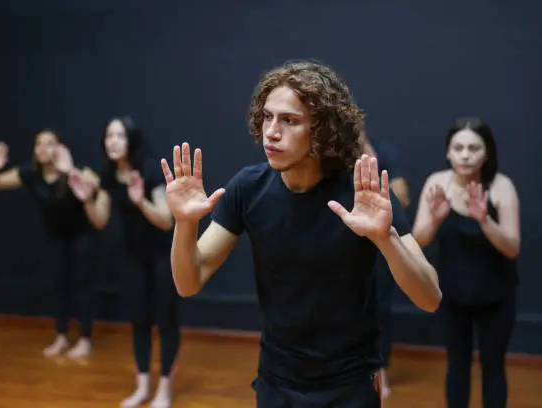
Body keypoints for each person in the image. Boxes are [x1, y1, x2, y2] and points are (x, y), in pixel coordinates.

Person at [160, 60, 441, 408]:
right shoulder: (248, 188)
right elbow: (189, 282)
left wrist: (386, 239)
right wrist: (185, 223)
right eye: (267, 117)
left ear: (322, 130)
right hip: (277, 382)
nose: (271, 132)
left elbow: (430, 298)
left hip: (350, 384)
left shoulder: (364, 194)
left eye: (289, 120)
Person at [412, 117, 520, 408]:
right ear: (448, 151)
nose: (465, 155)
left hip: (496, 295)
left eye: (474, 148)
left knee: (493, 366)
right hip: (451, 296)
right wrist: (434, 219)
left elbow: (512, 248)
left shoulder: (501, 186)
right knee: (456, 365)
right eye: (458, 147)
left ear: (486, 152)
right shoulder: (437, 183)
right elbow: (418, 241)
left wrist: (484, 220)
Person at [0, 129, 110, 359]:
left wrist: (70, 171)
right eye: (38, 144)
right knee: (58, 285)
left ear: (60, 148)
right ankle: (61, 336)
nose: (42, 148)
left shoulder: (76, 169)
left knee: (82, 285)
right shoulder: (30, 173)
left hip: (81, 234)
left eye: (49, 143)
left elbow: (103, 188)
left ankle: (85, 339)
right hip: (55, 237)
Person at [80, 116, 178, 408]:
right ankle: (142, 387)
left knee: (166, 322)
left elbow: (165, 221)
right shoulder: (108, 176)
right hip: (133, 257)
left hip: (162, 256)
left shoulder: (149, 169)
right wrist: (87, 198)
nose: (112, 141)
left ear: (131, 140)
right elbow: (100, 219)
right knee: (139, 321)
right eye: (108, 136)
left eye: (119, 136)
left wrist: (139, 201)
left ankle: (164, 390)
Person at [360, 124, 411, 397]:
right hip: (345, 245)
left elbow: (402, 199)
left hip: (379, 246)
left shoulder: (383, 152)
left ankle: (381, 371)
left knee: (380, 309)